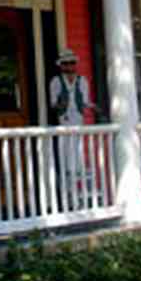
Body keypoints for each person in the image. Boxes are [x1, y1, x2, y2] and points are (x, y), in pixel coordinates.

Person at [49, 50, 92, 198]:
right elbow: (54, 103)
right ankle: (68, 185)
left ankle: (78, 172)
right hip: (64, 118)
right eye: (66, 63)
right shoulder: (56, 81)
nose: (69, 66)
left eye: (72, 63)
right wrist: (62, 105)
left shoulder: (82, 80)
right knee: (66, 147)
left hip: (78, 117)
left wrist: (92, 107)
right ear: (61, 66)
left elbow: (85, 101)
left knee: (77, 145)